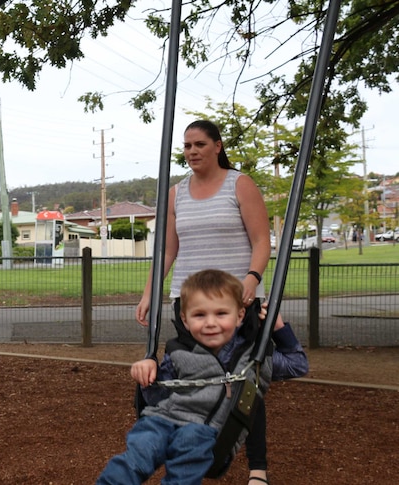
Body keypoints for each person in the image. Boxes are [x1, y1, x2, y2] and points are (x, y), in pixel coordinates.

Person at [134, 119, 277, 485]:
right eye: (186, 146)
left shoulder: (239, 184)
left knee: (247, 381)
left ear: (217, 146)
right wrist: (150, 292)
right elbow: (167, 251)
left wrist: (251, 279)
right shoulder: (176, 192)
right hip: (190, 302)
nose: (192, 152)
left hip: (236, 302)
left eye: (199, 144)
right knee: (185, 379)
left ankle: (257, 467)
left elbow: (262, 241)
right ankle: (188, 453)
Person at [97, 269, 276, 485]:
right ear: (185, 319)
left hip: (200, 431)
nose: (210, 323)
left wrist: (280, 328)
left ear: (239, 316)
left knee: (190, 446)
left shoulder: (251, 355)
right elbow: (158, 396)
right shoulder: (179, 351)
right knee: (137, 455)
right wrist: (147, 372)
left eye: (221, 314)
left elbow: (297, 364)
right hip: (161, 421)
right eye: (200, 315)